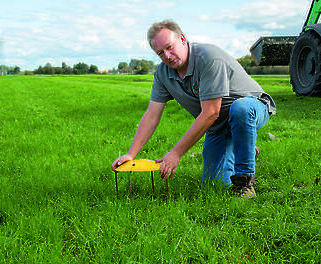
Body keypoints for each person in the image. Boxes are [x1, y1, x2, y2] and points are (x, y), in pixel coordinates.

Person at [111, 20, 275, 197]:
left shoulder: (209, 57)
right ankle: (245, 148)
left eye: (169, 47)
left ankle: (245, 183)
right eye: (160, 53)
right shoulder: (163, 74)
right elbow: (152, 115)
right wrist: (131, 154)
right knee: (214, 183)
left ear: (182, 39)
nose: (167, 55)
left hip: (253, 108)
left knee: (240, 109)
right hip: (218, 127)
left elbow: (211, 112)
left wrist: (176, 153)